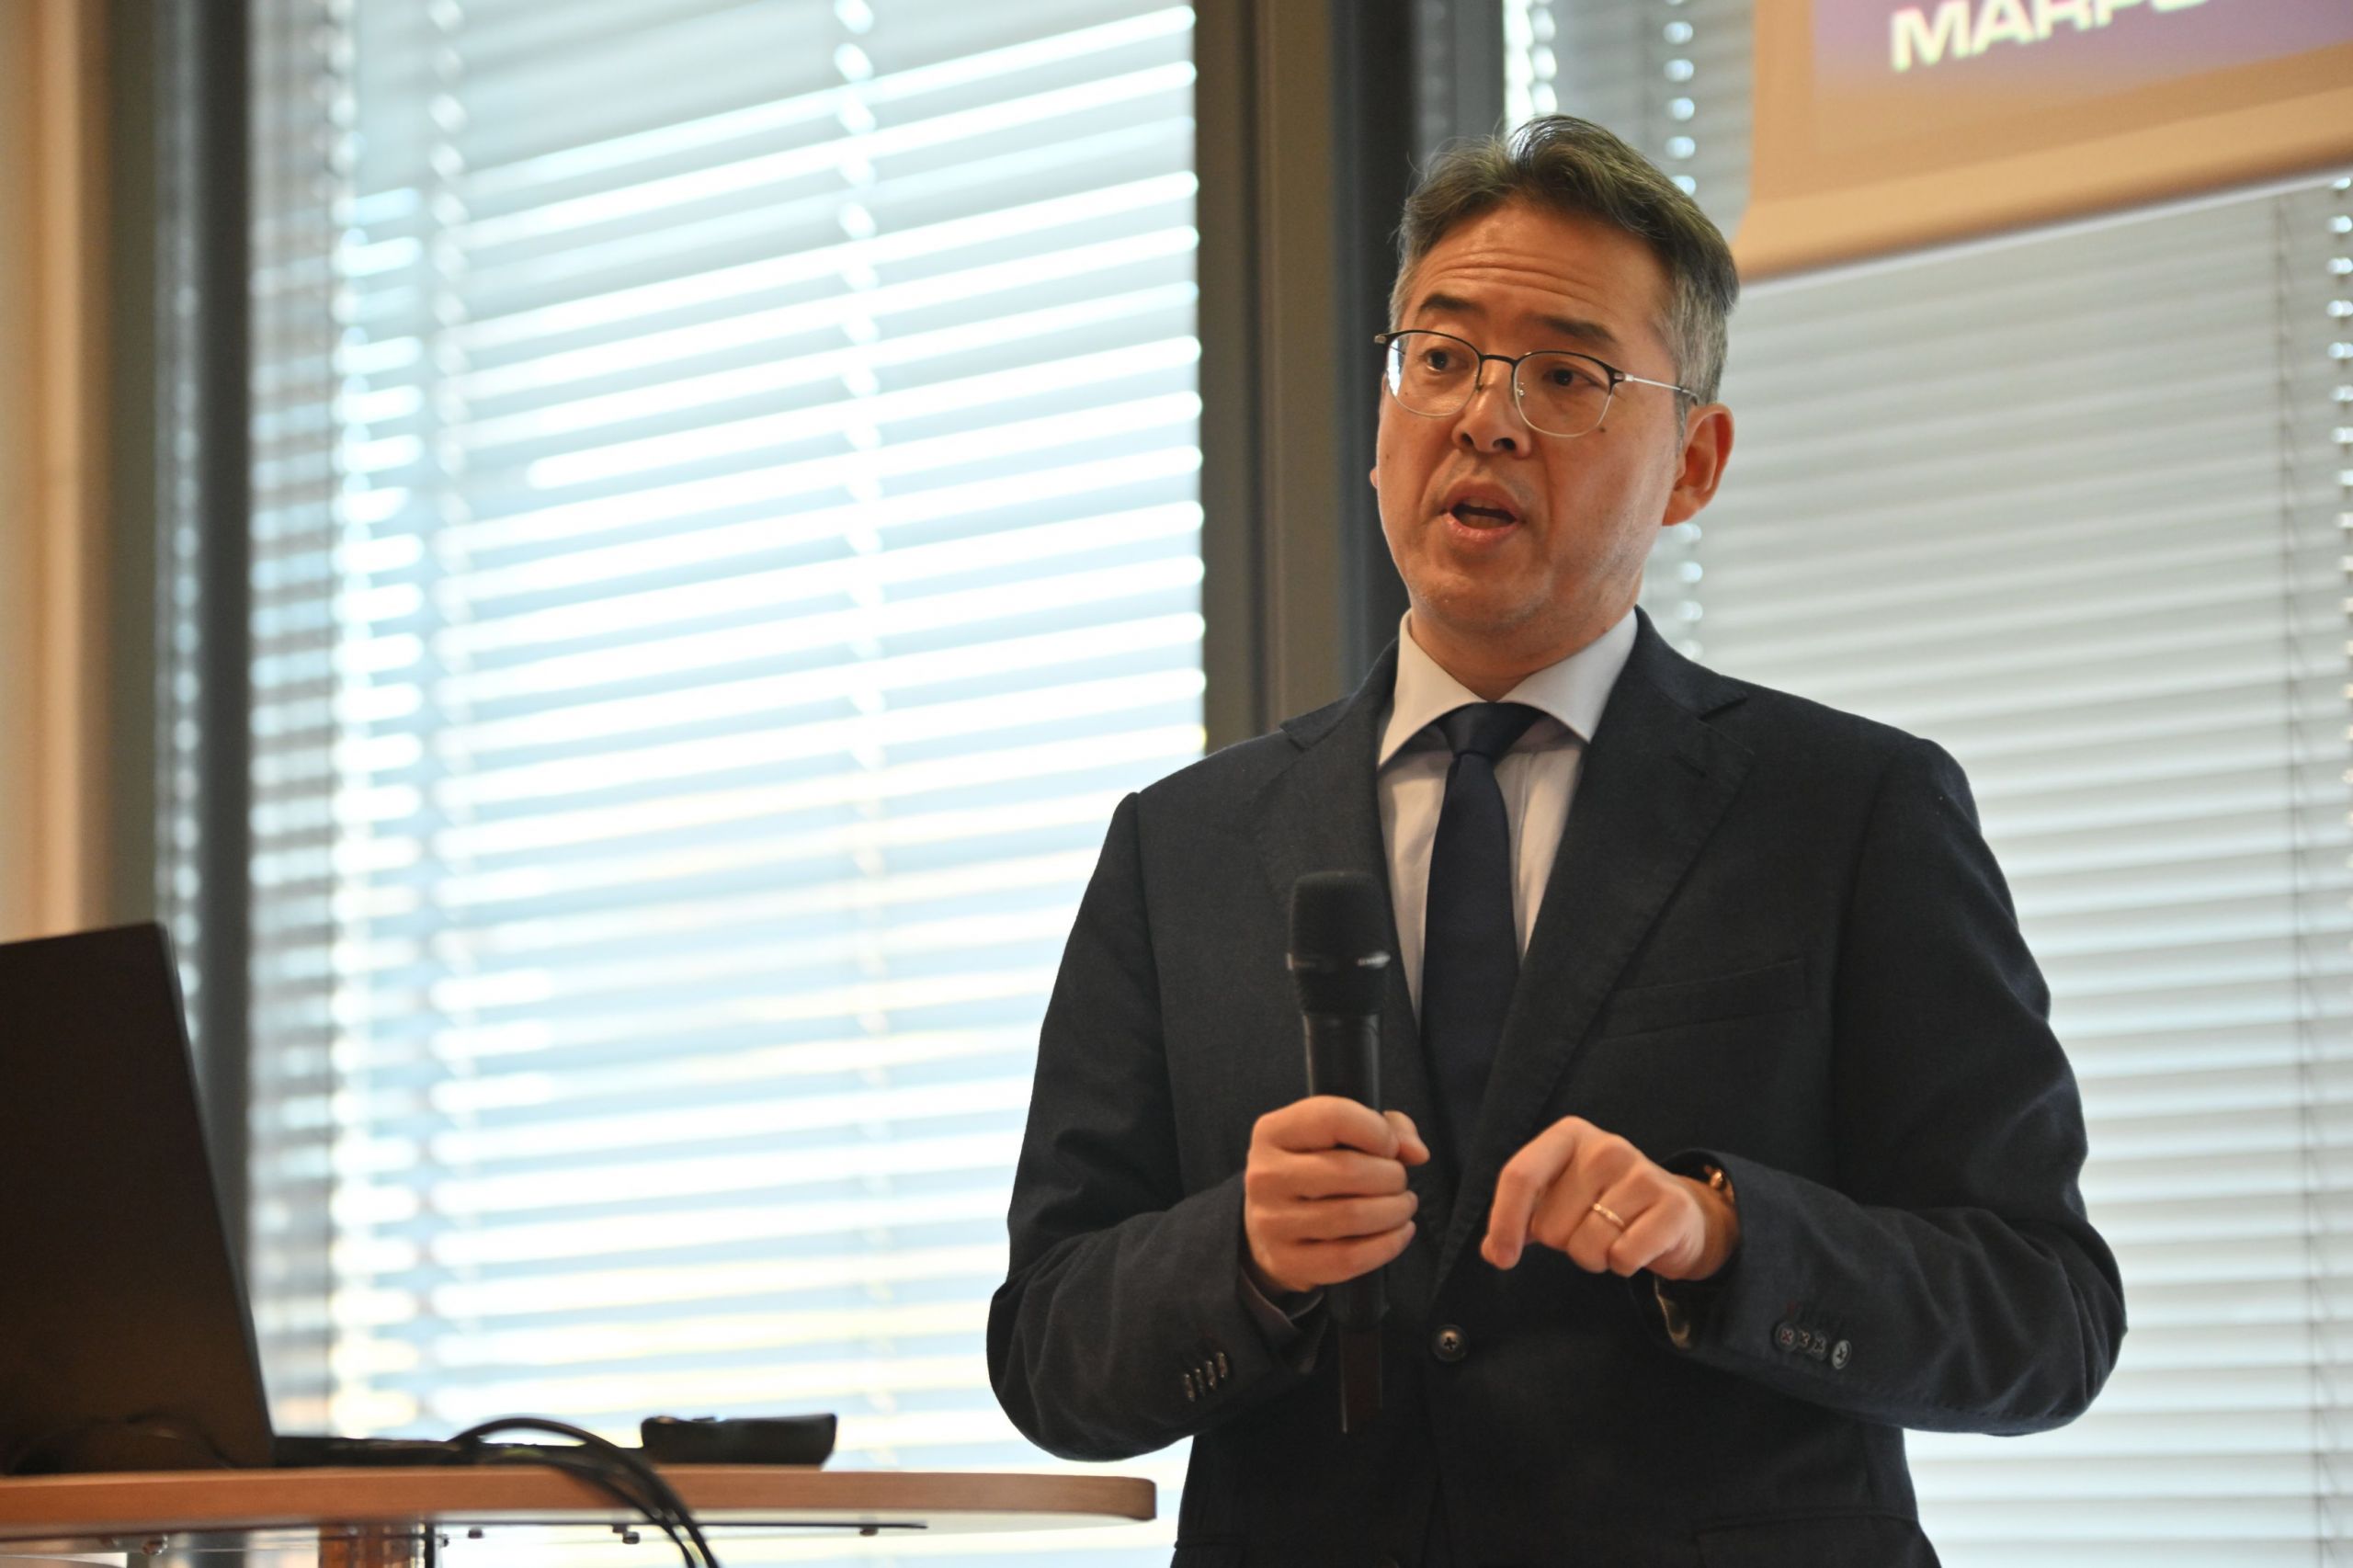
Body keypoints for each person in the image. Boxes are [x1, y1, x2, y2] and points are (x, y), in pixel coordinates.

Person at [986, 116, 2124, 1568]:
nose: (1487, 417)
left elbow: (2045, 1308)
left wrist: (1724, 1234)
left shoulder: (1852, 809)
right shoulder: (1182, 846)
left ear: (1694, 461)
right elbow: (1048, 1347)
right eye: (1441, 356)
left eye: (1569, 376)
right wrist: (1246, 1258)